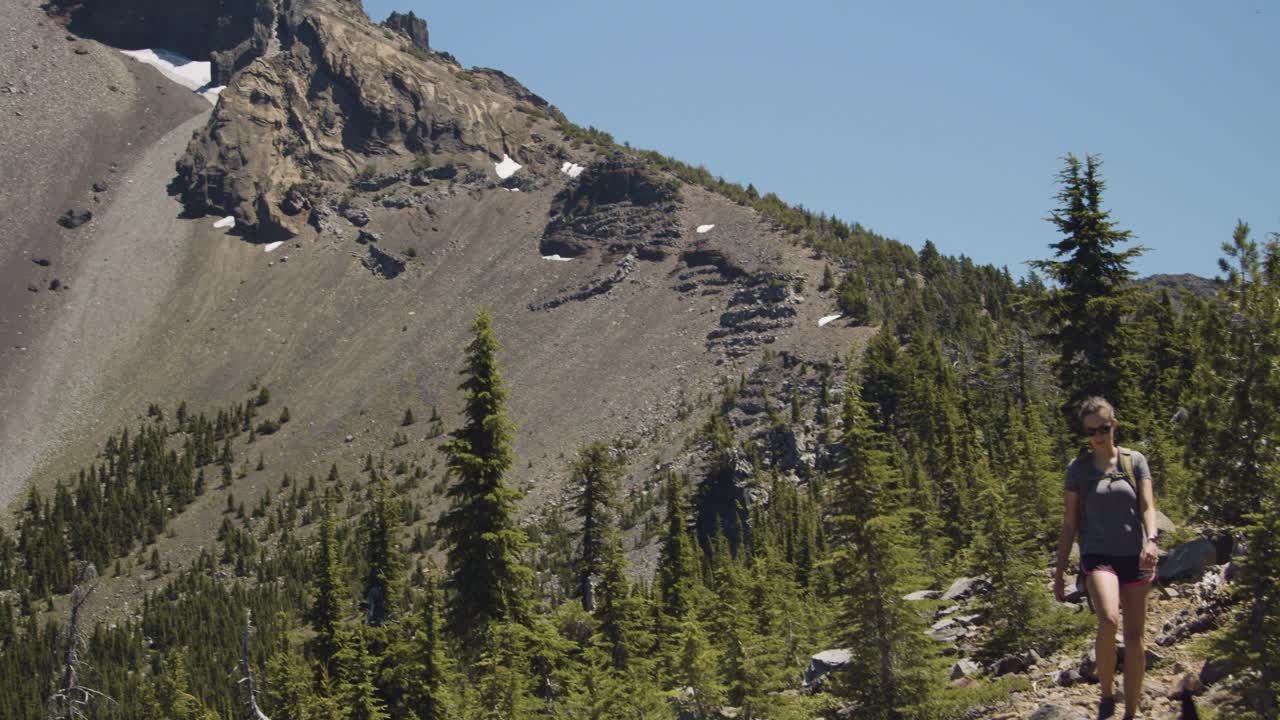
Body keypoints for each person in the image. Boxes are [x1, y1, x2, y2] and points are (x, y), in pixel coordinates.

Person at [1053, 397, 1160, 720]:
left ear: (1114, 424)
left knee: (1135, 636)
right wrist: (1058, 572)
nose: (1097, 436)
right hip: (1098, 555)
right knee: (1110, 619)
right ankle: (1106, 694)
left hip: (1136, 556)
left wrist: (1152, 540)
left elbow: (1146, 506)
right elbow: (1070, 522)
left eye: (1102, 428)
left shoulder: (1134, 461)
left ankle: (1131, 710)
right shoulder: (1079, 469)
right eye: (1090, 432)